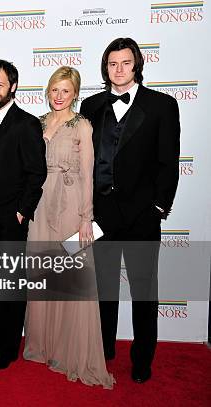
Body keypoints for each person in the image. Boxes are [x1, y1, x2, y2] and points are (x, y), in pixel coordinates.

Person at [80, 38, 180, 383]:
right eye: (112, 64)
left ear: (136, 65)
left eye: (125, 63)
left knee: (143, 292)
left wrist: (157, 207)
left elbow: (169, 162)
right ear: (105, 68)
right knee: (104, 290)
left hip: (142, 216)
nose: (119, 70)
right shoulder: (91, 105)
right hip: (103, 216)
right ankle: (104, 348)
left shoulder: (161, 105)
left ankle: (142, 359)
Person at [23, 66, 115, 389]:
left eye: (65, 91)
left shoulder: (83, 126)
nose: (58, 96)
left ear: (75, 94)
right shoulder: (36, 124)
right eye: (54, 90)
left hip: (72, 201)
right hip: (40, 200)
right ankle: (43, 346)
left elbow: (89, 173)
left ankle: (67, 350)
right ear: (47, 92)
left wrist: (86, 217)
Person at [0, 59, 47, 370]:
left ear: (13, 87)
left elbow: (36, 173)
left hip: (10, 220)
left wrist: (22, 212)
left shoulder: (26, 123)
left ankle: (6, 350)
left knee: (11, 287)